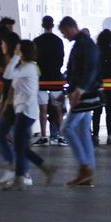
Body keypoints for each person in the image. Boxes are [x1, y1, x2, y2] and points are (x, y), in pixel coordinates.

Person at [0, 40, 53, 189]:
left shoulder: (28, 67)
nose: (16, 52)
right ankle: (42, 169)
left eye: (18, 49)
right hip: (22, 109)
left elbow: (7, 74)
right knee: (20, 146)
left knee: (19, 146)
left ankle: (22, 177)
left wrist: (14, 57)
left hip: (26, 110)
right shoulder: (25, 67)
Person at [58, 16, 101, 187]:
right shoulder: (85, 43)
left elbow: (89, 69)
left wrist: (78, 90)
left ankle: (85, 167)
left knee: (67, 128)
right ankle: (88, 170)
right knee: (83, 132)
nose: (64, 36)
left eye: (64, 32)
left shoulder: (83, 45)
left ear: (70, 28)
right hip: (87, 93)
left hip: (84, 94)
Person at [35, 16, 66, 147]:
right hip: (55, 78)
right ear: (53, 25)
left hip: (41, 79)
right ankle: (61, 135)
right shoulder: (58, 41)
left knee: (42, 109)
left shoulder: (37, 41)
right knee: (58, 108)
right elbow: (61, 60)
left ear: (42, 25)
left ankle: (43, 135)